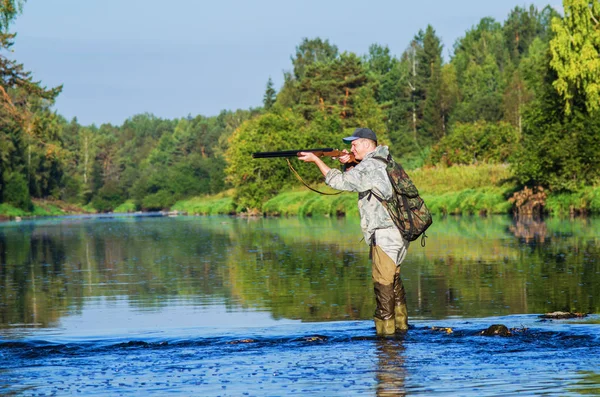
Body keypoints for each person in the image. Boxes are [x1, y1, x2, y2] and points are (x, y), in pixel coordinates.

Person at [298, 127, 409, 336]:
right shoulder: (384, 160)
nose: (351, 148)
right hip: (399, 232)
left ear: (367, 145)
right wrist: (349, 161)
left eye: (354, 144)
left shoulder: (370, 165)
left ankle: (386, 336)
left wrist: (316, 161)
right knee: (393, 279)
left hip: (385, 233)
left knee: (382, 283)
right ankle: (401, 329)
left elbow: (339, 182)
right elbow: (361, 182)